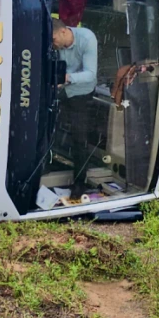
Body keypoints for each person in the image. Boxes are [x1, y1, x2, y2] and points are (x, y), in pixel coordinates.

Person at [52, 19, 98, 198]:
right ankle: (49, 165)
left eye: (54, 39)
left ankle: (80, 183)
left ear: (64, 31)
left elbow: (90, 74)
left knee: (80, 138)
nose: (53, 44)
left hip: (80, 92)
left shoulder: (86, 39)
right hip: (59, 88)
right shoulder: (55, 44)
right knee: (47, 127)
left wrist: (66, 78)